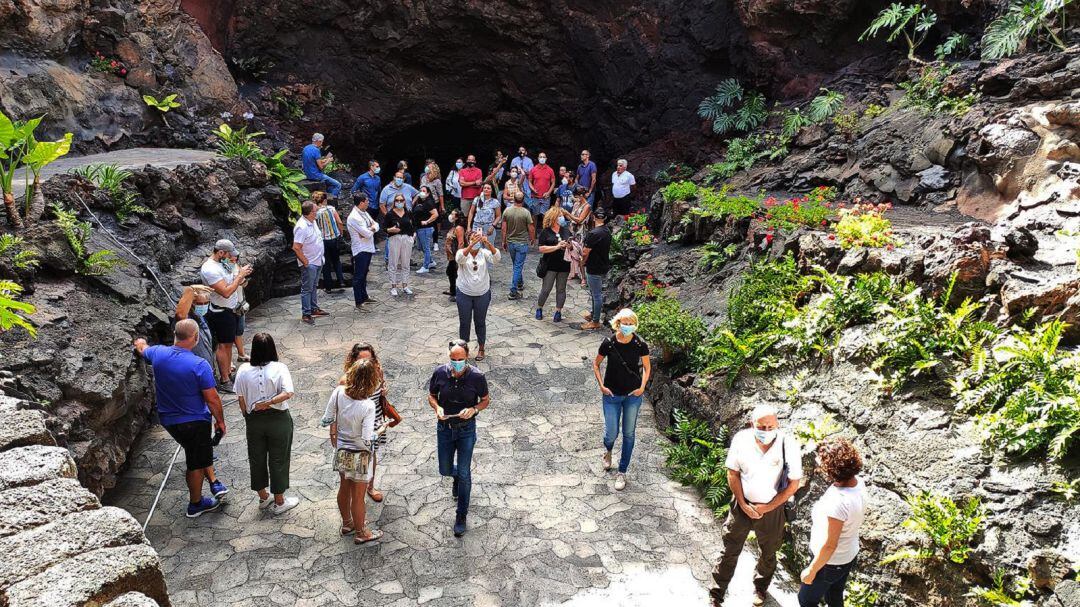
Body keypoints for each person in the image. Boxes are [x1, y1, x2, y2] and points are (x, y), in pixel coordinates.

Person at [710, 405, 804, 607]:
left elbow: (794, 483)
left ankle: (760, 588)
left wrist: (769, 507)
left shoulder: (789, 445)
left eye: (771, 427)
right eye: (762, 427)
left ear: (777, 424)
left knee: (769, 551)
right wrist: (743, 504)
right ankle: (717, 594)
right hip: (742, 505)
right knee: (729, 549)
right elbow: (732, 473)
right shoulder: (741, 440)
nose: (766, 431)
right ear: (753, 424)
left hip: (773, 509)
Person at [133, 320, 228, 518]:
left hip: (169, 420)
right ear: (195, 338)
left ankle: (213, 482)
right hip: (194, 421)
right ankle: (196, 503)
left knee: (198, 452)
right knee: (195, 462)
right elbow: (212, 399)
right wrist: (220, 421)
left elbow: (142, 348)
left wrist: (139, 341)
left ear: (175, 335)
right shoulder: (199, 365)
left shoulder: (158, 353)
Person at [427, 340, 491, 537]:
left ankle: (461, 515)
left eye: (460, 359)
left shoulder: (477, 377)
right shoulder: (439, 373)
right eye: (453, 360)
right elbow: (431, 395)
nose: (457, 363)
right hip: (444, 428)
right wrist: (437, 407)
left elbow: (485, 400)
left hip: (466, 430)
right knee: (445, 469)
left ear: (467, 357)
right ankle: (455, 477)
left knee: (465, 473)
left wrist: (473, 410)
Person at [233, 333, 299, 516]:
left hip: (254, 420)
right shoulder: (280, 367)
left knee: (256, 457)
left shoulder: (243, 370)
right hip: (278, 418)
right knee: (279, 458)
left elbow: (240, 398)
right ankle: (279, 501)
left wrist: (248, 417)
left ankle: (263, 496)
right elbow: (288, 393)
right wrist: (269, 402)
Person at [322, 358, 386, 544]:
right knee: (358, 497)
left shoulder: (338, 392)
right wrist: (380, 430)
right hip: (360, 453)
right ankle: (361, 532)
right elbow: (367, 438)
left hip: (342, 449)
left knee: (344, 488)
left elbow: (326, 419)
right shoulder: (367, 405)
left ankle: (347, 523)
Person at [798, 437, 865, 607]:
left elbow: (830, 545)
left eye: (822, 463)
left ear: (833, 468)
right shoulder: (858, 483)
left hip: (829, 563)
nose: (819, 466)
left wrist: (812, 571)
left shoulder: (839, 501)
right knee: (834, 596)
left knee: (806, 599)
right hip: (847, 555)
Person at [592, 309, 651, 491]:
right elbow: (596, 364)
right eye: (624, 323)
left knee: (629, 433)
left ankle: (622, 471)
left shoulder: (640, 344)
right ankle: (608, 451)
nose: (627, 326)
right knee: (611, 432)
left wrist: (642, 387)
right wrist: (602, 385)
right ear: (618, 323)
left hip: (632, 395)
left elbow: (647, 367)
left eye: (630, 323)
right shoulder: (608, 343)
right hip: (612, 394)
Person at [339, 343, 399, 503]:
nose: (366, 363)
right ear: (353, 360)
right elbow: (340, 407)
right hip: (355, 426)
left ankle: (369, 487)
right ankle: (353, 494)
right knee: (353, 462)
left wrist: (384, 390)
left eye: (369, 359)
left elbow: (382, 387)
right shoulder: (346, 380)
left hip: (376, 420)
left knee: (372, 454)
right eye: (360, 359)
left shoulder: (378, 371)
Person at [200, 238, 253, 391]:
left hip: (232, 309)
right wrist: (239, 276)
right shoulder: (210, 269)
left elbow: (235, 279)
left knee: (229, 344)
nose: (231, 258)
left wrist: (242, 276)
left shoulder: (223, 263)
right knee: (223, 345)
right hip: (220, 311)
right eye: (229, 255)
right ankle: (224, 380)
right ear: (220, 252)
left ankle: (228, 373)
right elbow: (226, 292)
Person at [455, 230, 500, 361]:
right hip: (464, 293)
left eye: (477, 239)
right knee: (464, 322)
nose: (476, 241)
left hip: (482, 293)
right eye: (473, 239)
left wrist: (488, 243)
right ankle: (464, 349)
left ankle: (481, 348)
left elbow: (497, 259)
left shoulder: (484, 253)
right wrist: (470, 246)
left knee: (480, 322)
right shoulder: (462, 252)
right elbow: (459, 259)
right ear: (468, 240)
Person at [292, 201, 327, 325]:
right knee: (307, 288)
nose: (316, 213)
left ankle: (314, 308)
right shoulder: (302, 227)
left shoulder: (312, 222)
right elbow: (296, 247)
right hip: (310, 263)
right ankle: (306, 313)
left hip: (317, 260)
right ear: (309, 213)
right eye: (315, 211)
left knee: (313, 286)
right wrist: (306, 262)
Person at [535, 205, 572, 322]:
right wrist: (556, 247)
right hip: (550, 264)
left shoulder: (566, 230)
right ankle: (539, 308)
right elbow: (541, 248)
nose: (562, 218)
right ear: (554, 217)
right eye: (560, 216)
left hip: (564, 264)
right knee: (546, 289)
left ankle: (558, 311)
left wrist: (569, 246)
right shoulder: (545, 232)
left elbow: (572, 245)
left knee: (561, 289)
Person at [580, 207, 611, 330]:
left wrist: (583, 262)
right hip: (603, 264)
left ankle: (595, 321)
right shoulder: (607, 231)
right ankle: (594, 315)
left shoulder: (593, 233)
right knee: (595, 293)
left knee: (596, 294)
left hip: (593, 266)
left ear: (593, 217)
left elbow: (585, 252)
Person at [346, 191, 380, 308]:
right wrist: (370, 230)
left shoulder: (364, 212)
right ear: (361, 203)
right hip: (360, 249)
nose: (368, 203)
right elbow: (367, 233)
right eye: (367, 201)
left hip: (368, 247)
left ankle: (364, 296)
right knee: (359, 275)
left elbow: (376, 224)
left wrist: (371, 228)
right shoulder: (354, 217)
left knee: (365, 273)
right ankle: (358, 300)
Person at [175, 284, 217, 374]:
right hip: (195, 370)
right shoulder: (188, 320)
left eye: (206, 303)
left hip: (208, 369)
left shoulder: (202, 318)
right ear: (192, 304)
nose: (203, 306)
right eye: (199, 304)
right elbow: (180, 315)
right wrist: (191, 290)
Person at [501, 190, 534, 300]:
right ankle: (513, 291)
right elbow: (531, 228)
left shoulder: (507, 211)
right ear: (523, 200)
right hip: (522, 243)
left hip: (511, 242)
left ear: (513, 199)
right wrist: (532, 238)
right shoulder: (526, 213)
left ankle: (520, 283)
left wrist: (503, 241)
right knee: (518, 266)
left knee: (516, 265)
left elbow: (504, 228)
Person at [383, 193, 416, 296]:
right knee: (393, 263)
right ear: (394, 202)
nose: (399, 202)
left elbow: (413, 225)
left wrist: (412, 237)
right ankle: (393, 286)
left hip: (407, 238)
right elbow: (384, 228)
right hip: (394, 238)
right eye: (397, 200)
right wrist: (391, 230)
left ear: (404, 201)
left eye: (401, 200)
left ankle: (405, 285)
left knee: (406, 264)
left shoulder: (408, 212)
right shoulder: (390, 214)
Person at [314, 191, 346, 293]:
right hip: (334, 238)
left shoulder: (316, 213)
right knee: (336, 260)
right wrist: (341, 232)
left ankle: (328, 287)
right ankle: (341, 281)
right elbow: (339, 222)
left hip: (323, 240)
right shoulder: (331, 209)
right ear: (324, 200)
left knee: (326, 263)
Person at [223, 250, 250, 364]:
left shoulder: (237, 267)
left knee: (239, 331)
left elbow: (244, 284)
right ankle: (228, 362)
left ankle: (241, 354)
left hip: (239, 303)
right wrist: (239, 278)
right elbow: (226, 289)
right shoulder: (220, 271)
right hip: (227, 307)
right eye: (231, 260)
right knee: (227, 337)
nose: (233, 262)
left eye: (235, 260)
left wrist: (243, 278)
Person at [567, 187, 592, 288]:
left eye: (576, 196)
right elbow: (573, 216)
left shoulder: (587, 206)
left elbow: (580, 219)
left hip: (582, 232)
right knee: (572, 251)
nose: (575, 198)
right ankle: (574, 272)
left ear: (581, 196)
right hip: (573, 230)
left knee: (581, 254)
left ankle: (583, 278)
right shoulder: (576, 204)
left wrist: (567, 213)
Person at [413, 186, 440, 274]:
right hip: (419, 228)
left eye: (424, 191)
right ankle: (431, 261)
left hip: (425, 229)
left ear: (428, 193)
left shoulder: (429, 203)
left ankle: (425, 266)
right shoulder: (420, 202)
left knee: (426, 248)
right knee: (420, 247)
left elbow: (435, 214)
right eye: (420, 190)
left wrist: (427, 221)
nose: (421, 192)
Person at [443, 209, 467, 301]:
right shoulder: (454, 226)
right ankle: (452, 290)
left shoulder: (459, 228)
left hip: (455, 255)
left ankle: (456, 293)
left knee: (453, 272)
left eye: (453, 214)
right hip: (451, 255)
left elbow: (461, 243)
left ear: (457, 217)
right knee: (450, 272)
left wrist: (459, 256)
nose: (451, 215)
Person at [527, 151, 556, 222]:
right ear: (538, 158)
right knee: (534, 217)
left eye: (543, 157)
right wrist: (533, 189)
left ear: (546, 158)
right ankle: (533, 233)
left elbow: (553, 183)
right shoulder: (533, 169)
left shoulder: (550, 170)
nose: (542, 158)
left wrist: (549, 193)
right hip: (535, 197)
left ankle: (545, 233)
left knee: (545, 217)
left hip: (546, 197)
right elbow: (529, 181)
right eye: (540, 157)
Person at [457, 155, 483, 219]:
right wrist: (474, 182)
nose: (471, 161)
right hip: (465, 198)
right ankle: (465, 229)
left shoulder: (479, 171)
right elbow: (462, 183)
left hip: (477, 197)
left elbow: (479, 184)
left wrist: (466, 183)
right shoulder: (462, 171)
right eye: (469, 160)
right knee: (464, 217)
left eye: (472, 160)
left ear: (475, 161)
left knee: (477, 217)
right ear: (466, 161)